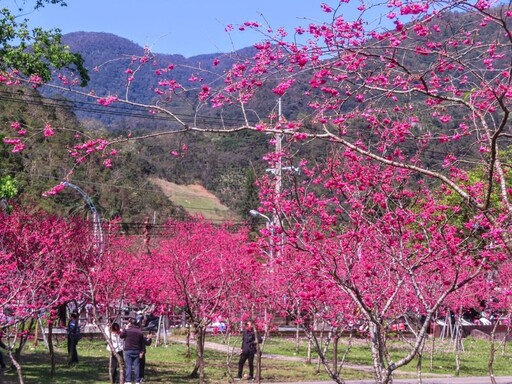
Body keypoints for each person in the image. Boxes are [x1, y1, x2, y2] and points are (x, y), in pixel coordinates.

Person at [120, 317, 145, 384]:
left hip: (128, 350)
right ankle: (137, 380)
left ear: (130, 323)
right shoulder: (140, 332)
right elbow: (142, 343)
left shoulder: (127, 330)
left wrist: (125, 328)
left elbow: (121, 336)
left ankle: (128, 381)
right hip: (137, 350)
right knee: (137, 366)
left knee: (128, 366)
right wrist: (142, 351)